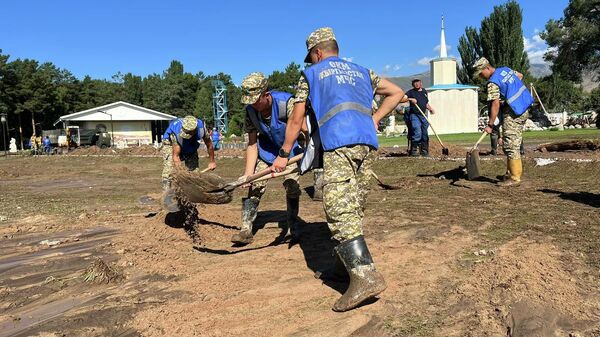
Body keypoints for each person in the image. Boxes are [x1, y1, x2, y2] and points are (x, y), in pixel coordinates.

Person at [271, 27, 405, 312]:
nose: (311, 62)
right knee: (353, 205)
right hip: (366, 144)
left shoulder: (312, 75)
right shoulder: (362, 71)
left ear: (317, 52)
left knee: (338, 207)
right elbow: (396, 93)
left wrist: (283, 154)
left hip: (340, 144)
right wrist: (374, 119)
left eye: (311, 57)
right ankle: (343, 267)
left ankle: (365, 276)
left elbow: (295, 121)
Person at [231, 72, 304, 245]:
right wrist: (248, 174)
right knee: (255, 185)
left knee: (292, 187)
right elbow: (252, 144)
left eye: (256, 100)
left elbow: (302, 128)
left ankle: (293, 226)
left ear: (266, 94)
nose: (253, 104)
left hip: (292, 151)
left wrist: (298, 153)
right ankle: (246, 229)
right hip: (267, 150)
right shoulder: (250, 111)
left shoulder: (287, 104)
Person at [474, 57, 534, 186]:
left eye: (480, 73)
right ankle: (510, 172)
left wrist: (490, 124)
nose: (480, 77)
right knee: (510, 141)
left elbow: (494, 104)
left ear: (487, 68)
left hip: (514, 113)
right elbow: (520, 75)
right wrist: (508, 95)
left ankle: (514, 177)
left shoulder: (492, 82)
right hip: (524, 107)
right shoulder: (505, 70)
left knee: (511, 145)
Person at [160, 115, 216, 190]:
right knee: (169, 168)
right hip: (170, 144)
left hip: (191, 143)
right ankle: (167, 192)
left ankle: (191, 191)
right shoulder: (175, 132)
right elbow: (176, 156)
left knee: (194, 172)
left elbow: (209, 144)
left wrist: (212, 161)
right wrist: (181, 173)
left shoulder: (201, 128)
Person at [405, 79, 435, 156]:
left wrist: (430, 108)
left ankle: (424, 151)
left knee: (425, 133)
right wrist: (411, 99)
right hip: (414, 114)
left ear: (421, 83)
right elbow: (402, 98)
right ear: (413, 85)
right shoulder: (410, 92)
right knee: (417, 130)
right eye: (415, 83)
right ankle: (414, 150)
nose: (417, 84)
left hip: (423, 115)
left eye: (418, 82)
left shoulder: (424, 92)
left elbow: (425, 103)